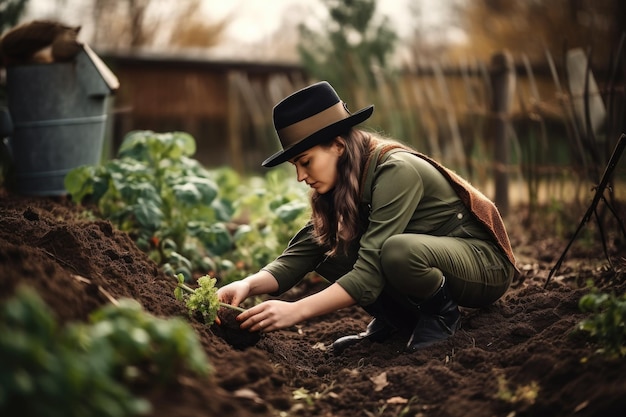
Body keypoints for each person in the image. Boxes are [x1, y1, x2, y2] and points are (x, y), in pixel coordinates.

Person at [217, 81, 519, 353]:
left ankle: (441, 315)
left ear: (337, 145)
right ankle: (400, 321)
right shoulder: (343, 181)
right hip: (434, 258)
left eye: (305, 162)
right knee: (329, 246)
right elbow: (302, 253)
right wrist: (247, 284)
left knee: (397, 252)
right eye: (295, 165)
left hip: (482, 265)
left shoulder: (396, 170)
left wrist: (296, 310)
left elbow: (371, 272)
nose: (300, 176)